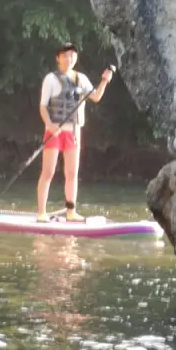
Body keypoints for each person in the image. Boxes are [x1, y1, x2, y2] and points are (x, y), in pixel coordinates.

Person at [36, 42, 112, 222]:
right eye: (65, 55)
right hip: (54, 131)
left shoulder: (82, 79)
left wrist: (104, 81)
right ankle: (41, 213)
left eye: (72, 56)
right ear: (58, 58)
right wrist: (49, 124)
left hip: (74, 133)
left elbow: (96, 97)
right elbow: (43, 107)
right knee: (48, 172)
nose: (69, 59)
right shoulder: (51, 79)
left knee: (71, 173)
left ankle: (71, 211)